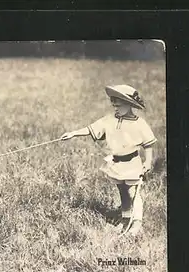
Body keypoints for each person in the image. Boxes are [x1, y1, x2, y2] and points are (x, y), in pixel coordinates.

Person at [60, 84, 157, 236]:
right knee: (123, 192)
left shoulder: (139, 123)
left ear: (129, 104)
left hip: (132, 164)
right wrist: (73, 133)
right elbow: (90, 128)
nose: (115, 108)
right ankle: (126, 218)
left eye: (119, 106)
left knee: (133, 193)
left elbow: (148, 144)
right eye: (114, 106)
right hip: (116, 163)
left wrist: (148, 162)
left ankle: (136, 223)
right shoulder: (109, 120)